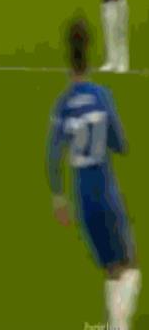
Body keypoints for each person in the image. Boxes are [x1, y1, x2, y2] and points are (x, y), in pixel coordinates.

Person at [46, 18, 141, 329]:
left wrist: (58, 198)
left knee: (111, 267)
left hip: (82, 195)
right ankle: (118, 326)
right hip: (105, 188)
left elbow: (52, 156)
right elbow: (121, 143)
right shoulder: (102, 96)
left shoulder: (63, 105)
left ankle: (112, 323)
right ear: (90, 53)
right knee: (130, 264)